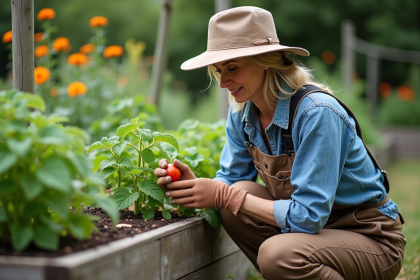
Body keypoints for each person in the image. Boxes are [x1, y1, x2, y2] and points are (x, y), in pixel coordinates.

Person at [154, 6, 406, 280]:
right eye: (218, 70)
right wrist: (195, 188)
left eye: (233, 68)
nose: (224, 81)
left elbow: (309, 215)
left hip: (368, 238)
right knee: (237, 199)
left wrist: (224, 195)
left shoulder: (316, 113)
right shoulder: (243, 114)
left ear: (265, 60)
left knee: (277, 254)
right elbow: (231, 179)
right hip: (312, 236)